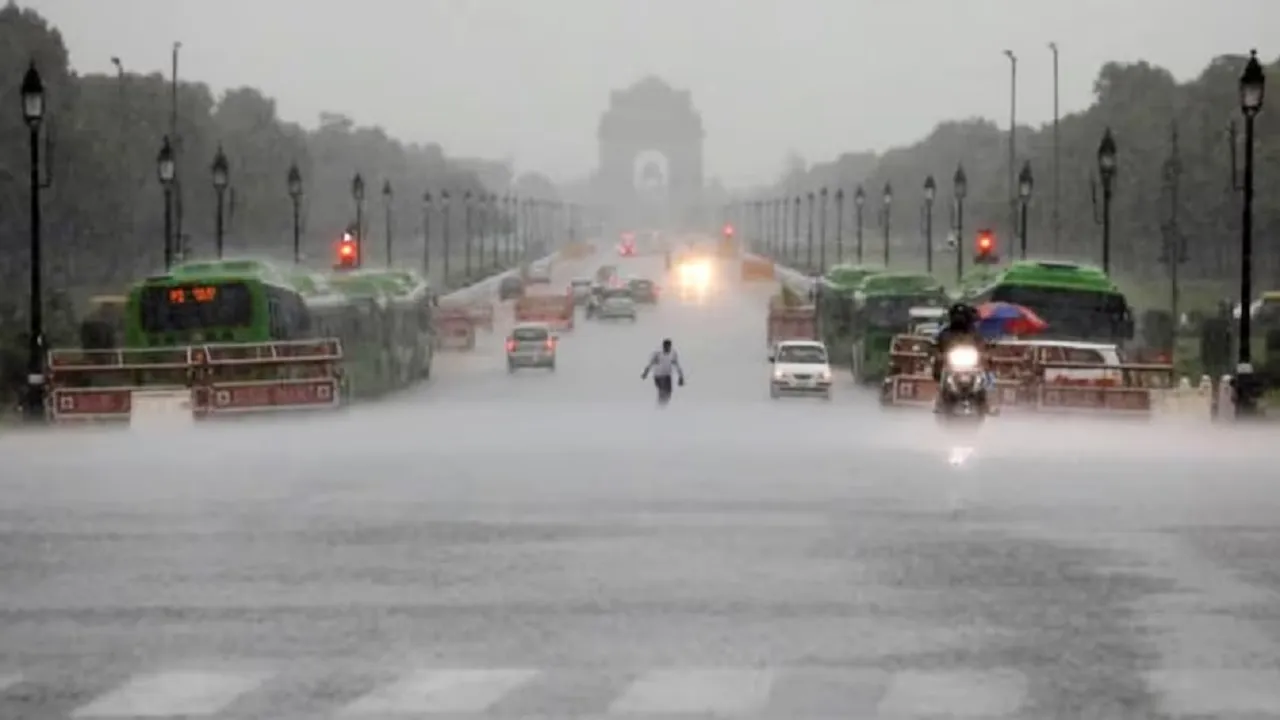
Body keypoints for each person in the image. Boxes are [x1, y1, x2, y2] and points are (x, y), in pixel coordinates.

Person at [930, 303, 990, 413]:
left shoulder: (974, 334)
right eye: (957, 315)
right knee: (940, 370)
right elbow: (936, 346)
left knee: (983, 377)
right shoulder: (945, 333)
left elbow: (982, 346)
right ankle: (940, 400)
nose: (959, 318)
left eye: (962, 315)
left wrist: (985, 353)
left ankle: (985, 404)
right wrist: (938, 354)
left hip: (971, 366)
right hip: (950, 365)